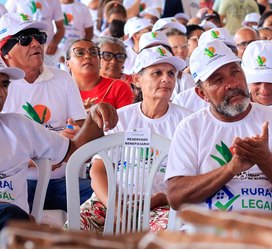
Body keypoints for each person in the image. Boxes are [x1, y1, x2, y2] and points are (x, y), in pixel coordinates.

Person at [165, 39, 272, 214]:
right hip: (209, 235)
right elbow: (175, 197)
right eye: (217, 80)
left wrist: (265, 159)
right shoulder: (190, 127)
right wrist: (231, 169)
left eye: (235, 72)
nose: (232, 84)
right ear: (202, 94)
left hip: (268, 234)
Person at [0, 56, 119, 230]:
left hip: (16, 235)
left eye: (4, 84)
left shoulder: (18, 126)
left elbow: (75, 150)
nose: (1, 92)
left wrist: (94, 117)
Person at [80, 46, 189, 232]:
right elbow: (98, 172)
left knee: (167, 234)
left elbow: (192, 178)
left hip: (164, 204)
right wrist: (115, 207)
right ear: (137, 80)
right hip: (113, 199)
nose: (166, 79)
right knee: (76, 229)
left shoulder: (186, 122)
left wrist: (164, 197)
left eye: (171, 73)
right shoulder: (121, 118)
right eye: (157, 73)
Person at [1, 12, 92, 211]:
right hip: (18, 183)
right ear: (5, 52)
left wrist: (76, 134)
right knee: (10, 213)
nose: (35, 44)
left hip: (63, 181)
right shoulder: (1, 88)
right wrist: (40, 160)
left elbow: (81, 130)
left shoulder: (63, 78)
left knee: (108, 198)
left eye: (39, 37)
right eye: (25, 39)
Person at [67, 39, 133, 109]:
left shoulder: (119, 87)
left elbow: (126, 119)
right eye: (80, 53)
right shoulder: (60, 89)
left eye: (93, 53)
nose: (87, 56)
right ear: (67, 64)